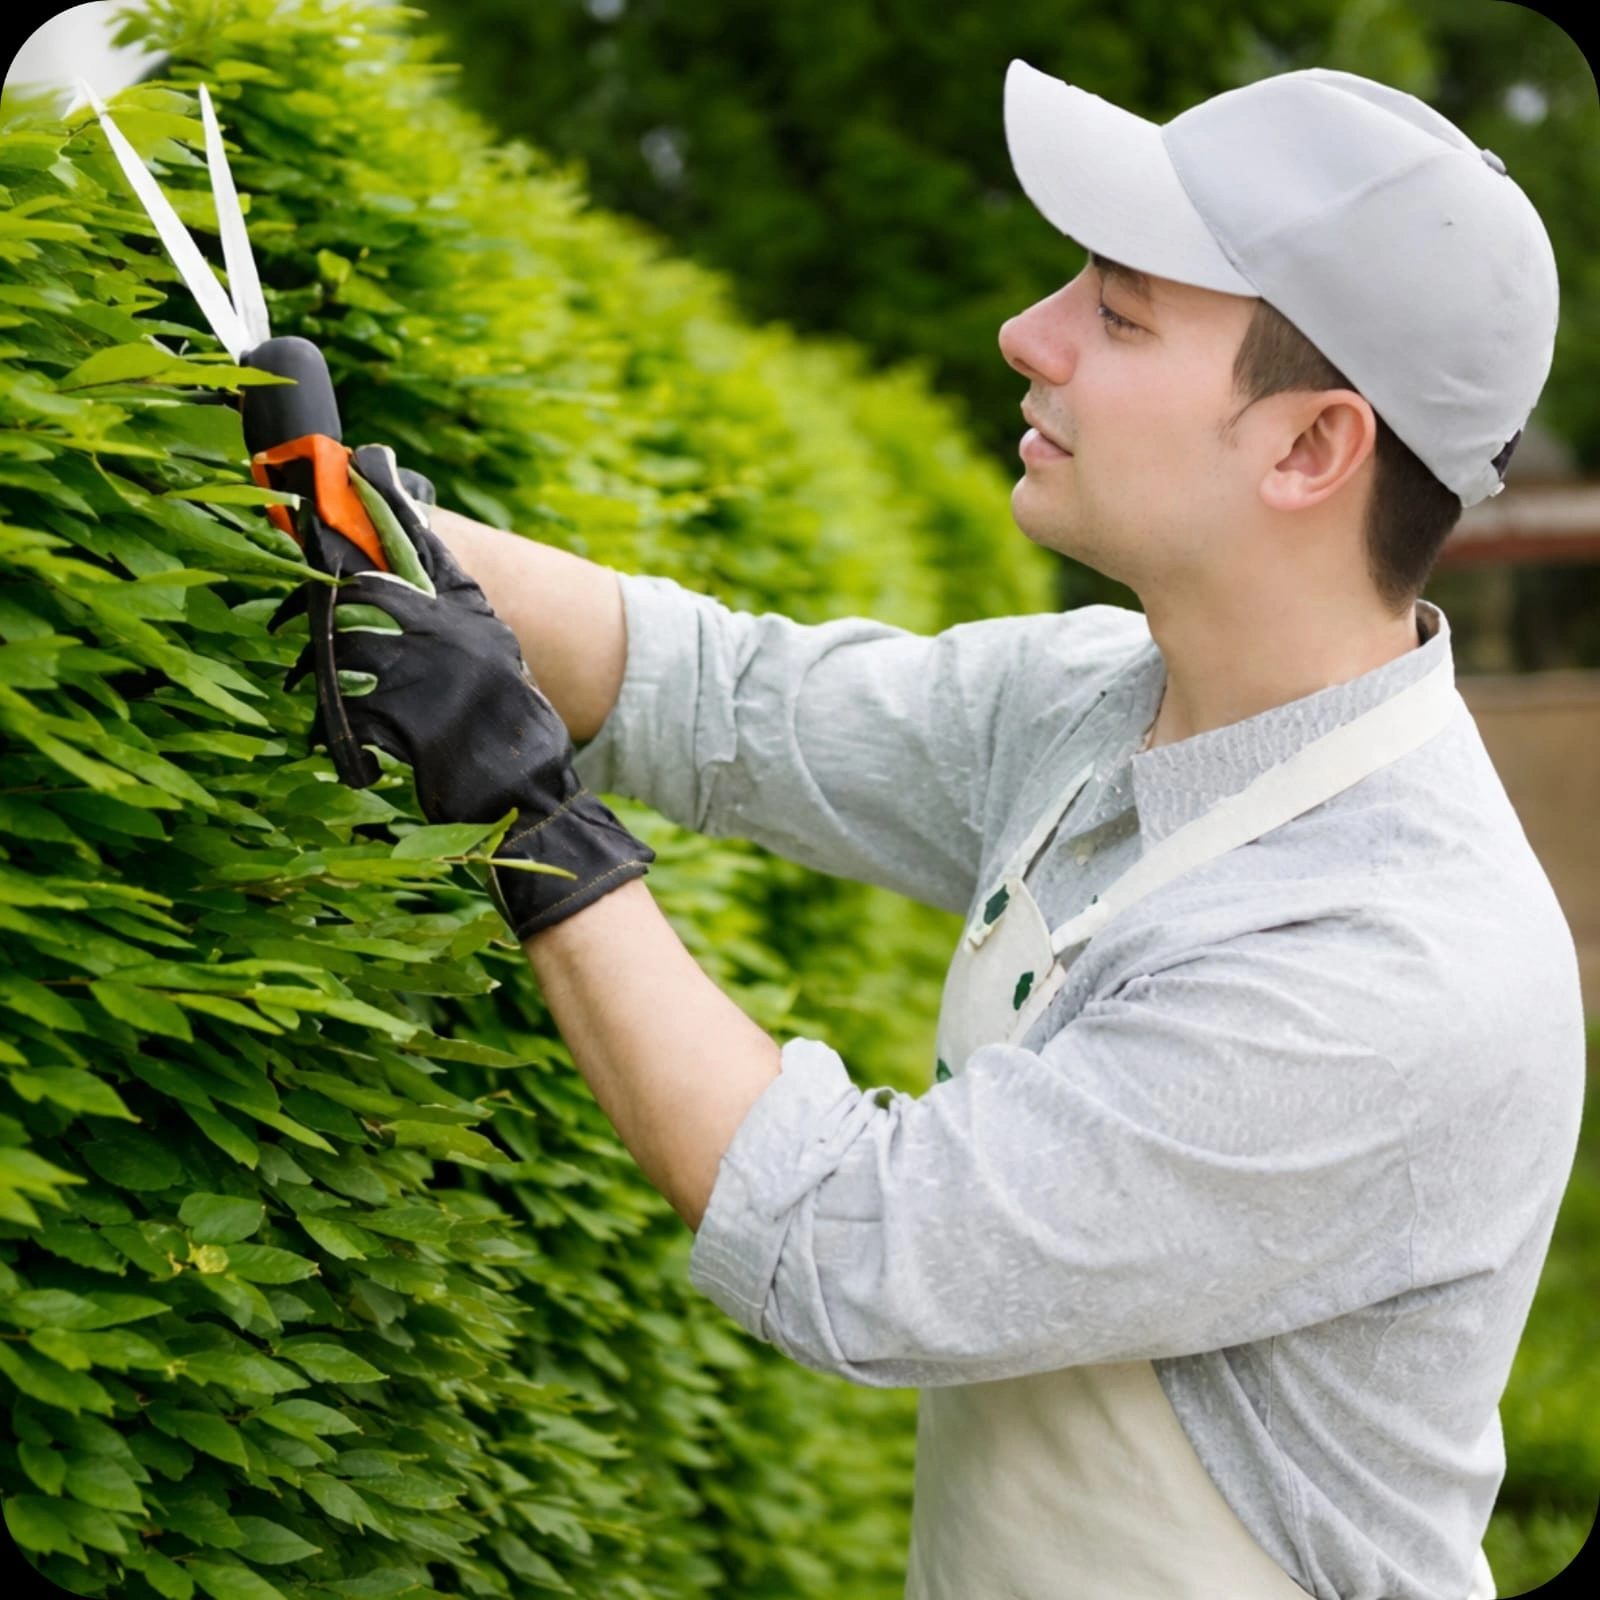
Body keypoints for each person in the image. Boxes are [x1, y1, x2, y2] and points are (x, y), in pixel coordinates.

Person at [286, 59, 1584, 1600]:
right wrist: (375, 534)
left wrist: (517, 803)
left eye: (1118, 313)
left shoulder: (1386, 964)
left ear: (1310, 448)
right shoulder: (1102, 703)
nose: (1026, 334)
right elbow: (725, 695)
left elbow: (862, 1245)